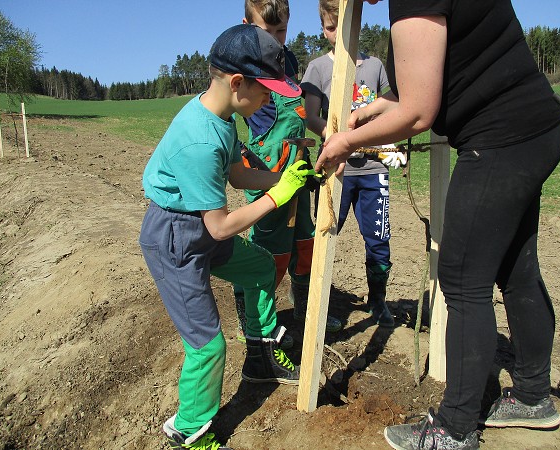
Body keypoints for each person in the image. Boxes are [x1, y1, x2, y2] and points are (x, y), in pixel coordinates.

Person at [317, 0, 560, 448]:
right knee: (517, 269)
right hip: (535, 129)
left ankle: (453, 428)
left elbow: (417, 113)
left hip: (499, 140)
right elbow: (429, 78)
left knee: (462, 278)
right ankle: (533, 396)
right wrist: (370, 110)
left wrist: (347, 141)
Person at [139, 24, 316, 450]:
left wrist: (282, 176)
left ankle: (259, 354)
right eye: (266, 89)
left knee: (257, 269)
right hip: (175, 240)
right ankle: (189, 431)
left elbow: (238, 174)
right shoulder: (199, 140)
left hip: (199, 228)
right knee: (208, 346)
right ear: (237, 84)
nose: (270, 99)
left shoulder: (221, 119)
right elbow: (218, 225)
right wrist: (278, 195)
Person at [234, 0, 342, 346]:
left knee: (304, 247)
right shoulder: (244, 68)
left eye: (282, 31)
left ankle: (305, 311)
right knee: (270, 254)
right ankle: (255, 324)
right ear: (247, 24)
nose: (277, 40)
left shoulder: (289, 62)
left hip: (298, 173)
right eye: (269, 32)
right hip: (268, 178)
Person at [301, 0, 407, 328]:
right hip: (338, 169)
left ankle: (377, 302)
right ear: (323, 28)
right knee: (327, 231)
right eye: (331, 27)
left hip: (374, 169)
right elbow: (310, 117)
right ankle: (319, 303)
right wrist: (337, 140)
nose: (337, 33)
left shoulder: (375, 67)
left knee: (379, 237)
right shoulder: (318, 69)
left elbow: (392, 106)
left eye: (343, 25)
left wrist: (385, 139)